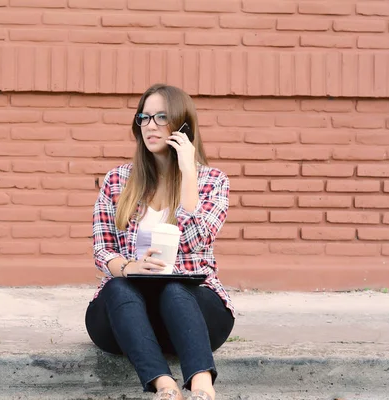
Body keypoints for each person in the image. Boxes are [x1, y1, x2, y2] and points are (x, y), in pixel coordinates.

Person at [84, 84, 235, 400]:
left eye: (161, 117)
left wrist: (188, 173)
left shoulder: (212, 181)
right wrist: (130, 266)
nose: (150, 126)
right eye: (144, 117)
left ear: (182, 124)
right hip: (129, 315)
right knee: (117, 286)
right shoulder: (117, 180)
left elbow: (198, 239)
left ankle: (203, 387)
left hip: (192, 310)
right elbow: (102, 250)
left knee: (174, 290)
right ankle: (165, 388)